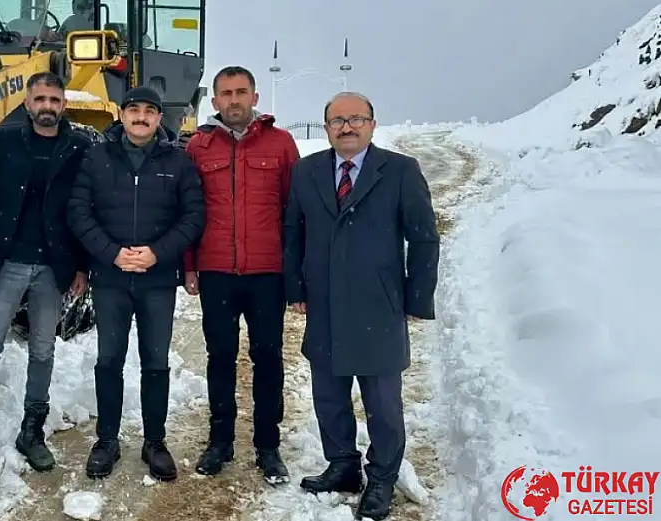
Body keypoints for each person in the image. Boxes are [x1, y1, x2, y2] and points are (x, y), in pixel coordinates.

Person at [283, 92, 439, 520]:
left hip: (379, 303)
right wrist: (295, 288)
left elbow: (424, 237)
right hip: (325, 303)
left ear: (372, 124)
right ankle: (343, 466)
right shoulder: (307, 171)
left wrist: (417, 298)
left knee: (383, 402)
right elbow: (293, 233)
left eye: (356, 119)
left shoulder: (400, 171)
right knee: (329, 394)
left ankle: (383, 477)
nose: (346, 127)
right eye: (337, 121)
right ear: (326, 126)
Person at [0, 72, 92, 471]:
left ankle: (32, 428)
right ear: (27, 103)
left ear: (63, 104)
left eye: (53, 100)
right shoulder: (1, 141)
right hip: (9, 260)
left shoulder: (79, 147)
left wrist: (81, 265)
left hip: (54, 265)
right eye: (40, 99)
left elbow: (84, 209)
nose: (46, 106)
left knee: (43, 349)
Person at [67, 86, 206, 481]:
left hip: (156, 280)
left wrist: (157, 252)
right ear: (122, 115)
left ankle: (155, 441)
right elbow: (79, 211)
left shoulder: (177, 162)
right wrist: (110, 252)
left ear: (159, 118)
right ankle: (107, 440)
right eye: (134, 110)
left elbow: (193, 216)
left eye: (149, 111)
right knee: (109, 359)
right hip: (110, 278)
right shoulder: (96, 157)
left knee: (156, 362)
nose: (141, 117)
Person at [182, 65, 301, 484]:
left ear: (255, 98)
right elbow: (189, 212)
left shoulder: (281, 144)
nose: (233, 100)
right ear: (214, 102)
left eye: (241, 92)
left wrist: (294, 269)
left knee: (268, 359)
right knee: (220, 359)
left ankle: (268, 446)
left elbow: (294, 212)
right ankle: (220, 441)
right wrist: (190, 265)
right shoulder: (199, 147)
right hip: (217, 272)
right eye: (226, 94)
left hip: (267, 273)